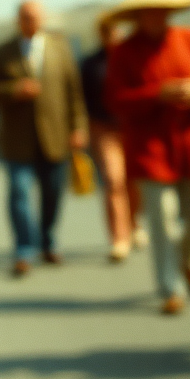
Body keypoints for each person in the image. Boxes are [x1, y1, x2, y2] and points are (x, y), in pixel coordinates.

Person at [105, 0, 190, 316]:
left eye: (161, 12)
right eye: (148, 12)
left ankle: (186, 260)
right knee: (162, 218)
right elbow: (115, 100)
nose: (156, 18)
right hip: (150, 148)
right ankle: (171, 287)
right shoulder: (124, 52)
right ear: (137, 16)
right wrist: (158, 94)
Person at [0, 0, 89, 277]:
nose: (30, 22)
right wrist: (13, 90)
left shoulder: (60, 48)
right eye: (25, 17)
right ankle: (24, 249)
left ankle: (49, 241)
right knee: (18, 192)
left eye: (34, 17)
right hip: (18, 140)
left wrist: (78, 128)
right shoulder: (3, 52)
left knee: (53, 193)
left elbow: (73, 92)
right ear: (18, 20)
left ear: (41, 19)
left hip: (55, 136)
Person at [79, 15, 143, 262]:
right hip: (103, 129)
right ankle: (119, 238)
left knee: (133, 182)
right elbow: (82, 98)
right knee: (113, 181)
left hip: (131, 127)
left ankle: (134, 223)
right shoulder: (91, 63)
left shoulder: (131, 58)